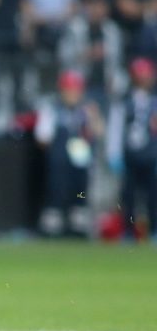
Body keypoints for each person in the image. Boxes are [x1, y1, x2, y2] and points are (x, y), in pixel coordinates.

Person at [35, 70, 104, 237]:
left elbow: (99, 132)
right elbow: (43, 137)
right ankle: (53, 221)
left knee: (80, 187)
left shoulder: (87, 109)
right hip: (59, 156)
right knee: (57, 186)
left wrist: (94, 116)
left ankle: (78, 222)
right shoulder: (52, 108)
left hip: (80, 156)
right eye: (69, 90)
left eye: (75, 90)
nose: (73, 95)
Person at [107, 58, 157, 241]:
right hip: (130, 156)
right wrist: (114, 154)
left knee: (153, 195)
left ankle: (153, 230)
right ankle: (128, 231)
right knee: (128, 196)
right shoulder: (123, 102)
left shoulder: (154, 102)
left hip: (151, 156)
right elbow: (115, 129)